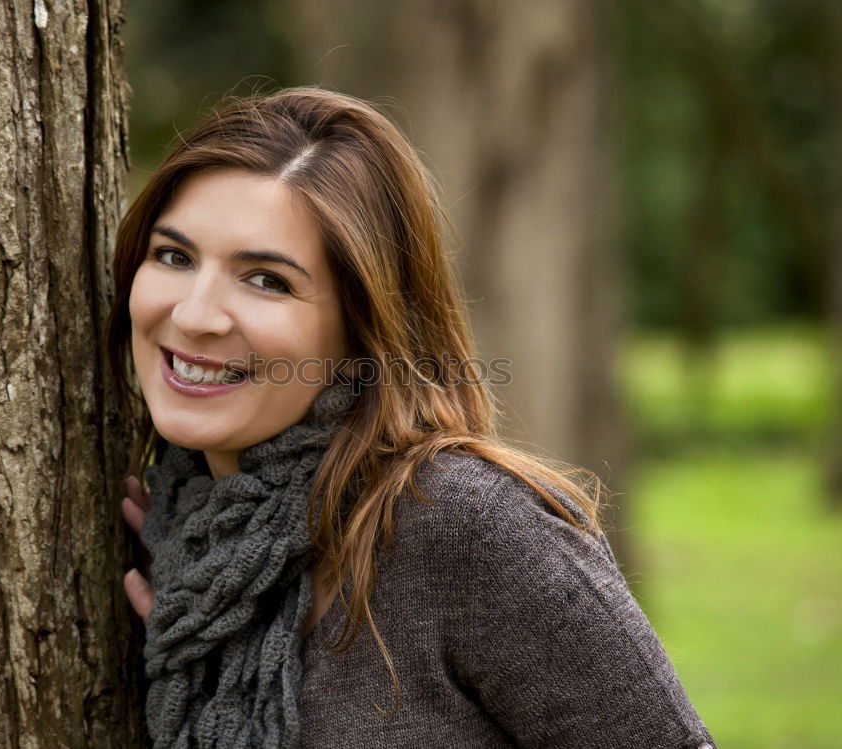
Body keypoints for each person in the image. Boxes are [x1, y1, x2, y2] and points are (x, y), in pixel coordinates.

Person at [105, 86, 718, 749]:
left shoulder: (468, 526)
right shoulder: (190, 553)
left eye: (267, 280)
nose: (195, 314)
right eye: (174, 256)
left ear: (364, 327)